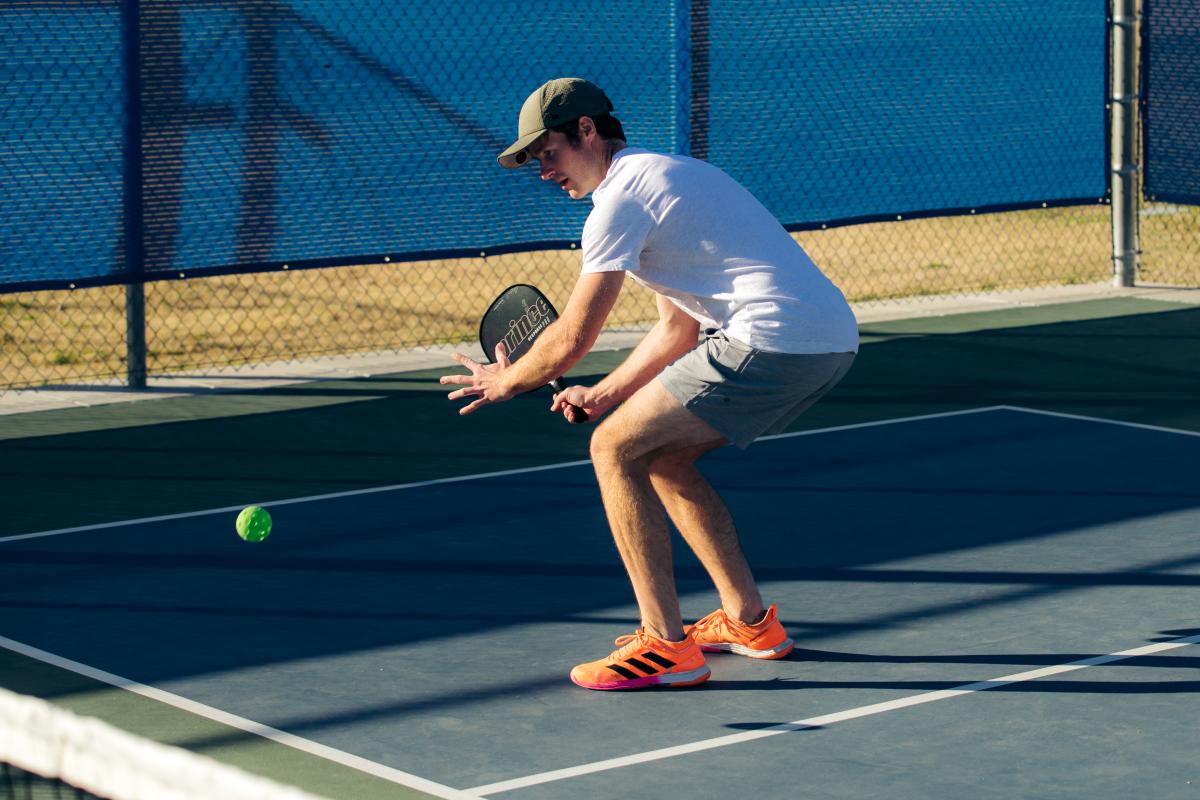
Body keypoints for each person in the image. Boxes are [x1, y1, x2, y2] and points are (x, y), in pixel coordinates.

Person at [440, 78, 858, 691]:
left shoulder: (619, 202)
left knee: (612, 449)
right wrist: (603, 394)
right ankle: (750, 622)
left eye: (547, 152)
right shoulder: (662, 178)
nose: (543, 170)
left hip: (771, 337)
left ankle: (665, 645)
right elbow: (675, 331)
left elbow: (571, 338)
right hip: (825, 341)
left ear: (587, 130)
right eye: (532, 161)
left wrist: (508, 381)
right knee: (663, 459)